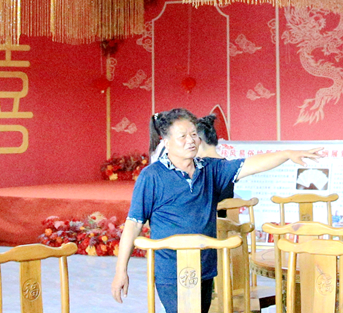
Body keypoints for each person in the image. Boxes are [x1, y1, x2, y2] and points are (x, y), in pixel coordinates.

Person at [111, 107, 322, 313]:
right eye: (182, 136)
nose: (191, 140)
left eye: (193, 134)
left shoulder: (211, 169)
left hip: (205, 268)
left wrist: (286, 154)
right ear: (165, 142)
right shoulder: (151, 176)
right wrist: (121, 271)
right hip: (171, 272)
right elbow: (134, 224)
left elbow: (251, 165)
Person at [196, 114, 234, 217]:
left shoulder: (200, 168)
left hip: (206, 224)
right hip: (226, 223)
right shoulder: (228, 166)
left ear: (199, 141)